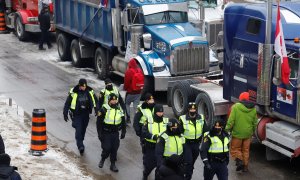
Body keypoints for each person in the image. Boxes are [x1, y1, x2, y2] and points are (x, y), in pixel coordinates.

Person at [63, 78, 97, 155]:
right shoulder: (74, 92)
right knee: (79, 129)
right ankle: (80, 145)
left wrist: (96, 109)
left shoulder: (89, 91)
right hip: (77, 114)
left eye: (84, 86)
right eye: (82, 86)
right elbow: (67, 103)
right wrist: (65, 113)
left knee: (83, 129)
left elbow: (95, 101)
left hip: (85, 114)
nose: (83, 88)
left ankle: (80, 140)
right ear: (79, 86)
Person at [225, 92, 257, 172]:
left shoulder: (235, 107)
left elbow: (231, 120)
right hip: (248, 134)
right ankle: (245, 167)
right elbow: (255, 122)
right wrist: (252, 132)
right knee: (245, 150)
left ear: (240, 98)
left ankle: (240, 161)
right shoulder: (253, 109)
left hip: (237, 133)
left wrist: (227, 129)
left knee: (235, 149)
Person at [97, 93, 126, 172]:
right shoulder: (104, 109)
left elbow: (123, 121)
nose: (114, 101)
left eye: (115, 100)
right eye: (112, 100)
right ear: (109, 100)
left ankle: (112, 164)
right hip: (106, 132)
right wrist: (99, 133)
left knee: (114, 148)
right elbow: (98, 123)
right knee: (107, 148)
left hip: (115, 132)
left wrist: (123, 131)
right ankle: (103, 158)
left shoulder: (119, 109)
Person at [178, 102, 207, 180]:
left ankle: (186, 169)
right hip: (186, 144)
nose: (193, 110)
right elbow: (179, 133)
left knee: (191, 162)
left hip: (197, 144)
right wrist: (183, 144)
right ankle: (187, 177)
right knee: (189, 162)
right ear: (188, 109)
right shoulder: (183, 118)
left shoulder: (201, 118)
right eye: (191, 109)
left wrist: (205, 143)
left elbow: (205, 131)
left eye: (194, 109)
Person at [141, 104, 169, 180]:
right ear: (155, 112)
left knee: (160, 167)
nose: (160, 114)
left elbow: (171, 131)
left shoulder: (166, 121)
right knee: (149, 166)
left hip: (162, 147)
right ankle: (145, 174)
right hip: (151, 147)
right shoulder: (149, 121)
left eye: (162, 112)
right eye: (158, 112)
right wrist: (154, 137)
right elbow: (144, 132)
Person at [124, 58, 143, 124]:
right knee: (136, 107)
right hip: (138, 92)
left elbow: (126, 83)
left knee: (127, 104)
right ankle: (137, 120)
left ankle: (128, 118)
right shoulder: (139, 70)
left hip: (130, 92)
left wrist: (125, 88)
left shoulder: (129, 72)